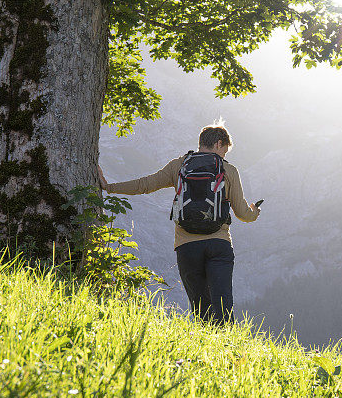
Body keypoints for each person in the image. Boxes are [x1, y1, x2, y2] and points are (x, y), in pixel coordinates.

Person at [97, 123, 260, 325]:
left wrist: (109, 187)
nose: (224, 156)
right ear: (219, 144)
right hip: (219, 244)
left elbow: (145, 185)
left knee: (201, 306)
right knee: (223, 303)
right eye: (224, 151)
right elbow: (242, 213)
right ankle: (228, 349)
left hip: (187, 246)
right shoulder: (228, 170)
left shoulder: (179, 166)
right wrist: (255, 212)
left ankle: (206, 348)